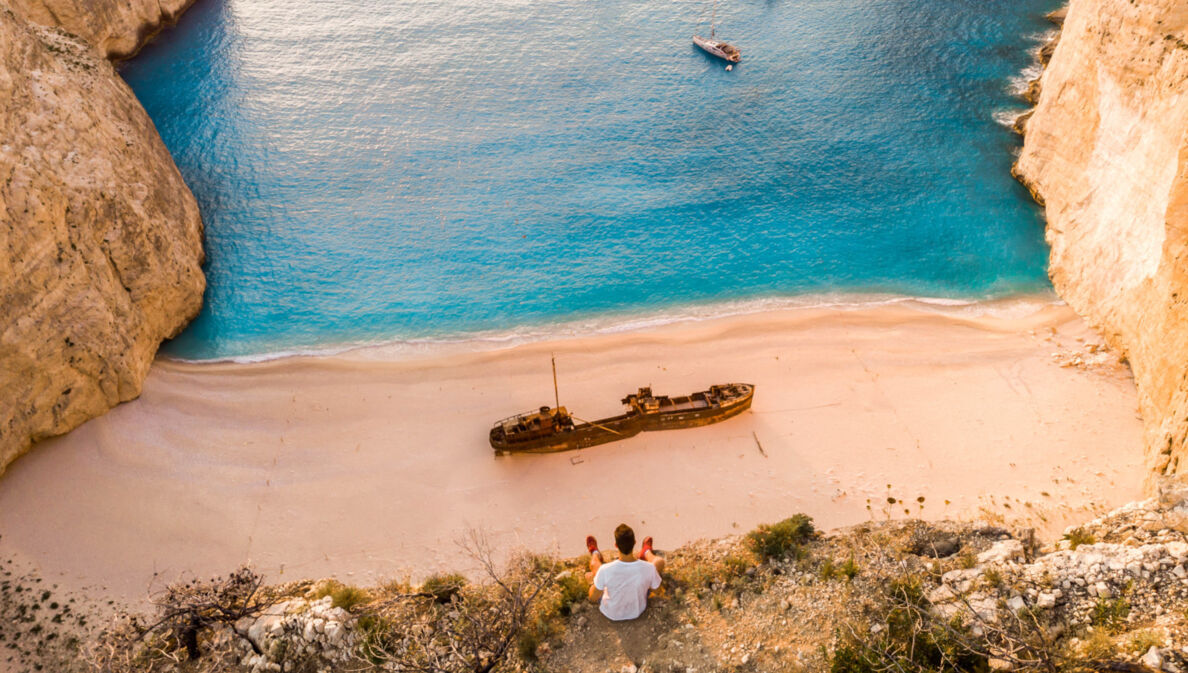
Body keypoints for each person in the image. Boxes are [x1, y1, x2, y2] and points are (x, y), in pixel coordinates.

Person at [585, 523, 665, 621]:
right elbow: (657, 591)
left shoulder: (605, 570)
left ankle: (595, 553)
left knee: (595, 565)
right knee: (659, 562)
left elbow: (593, 598)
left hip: (611, 613)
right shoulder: (649, 568)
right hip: (636, 610)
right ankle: (646, 552)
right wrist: (643, 581)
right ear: (634, 542)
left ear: (616, 545)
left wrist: (592, 582)